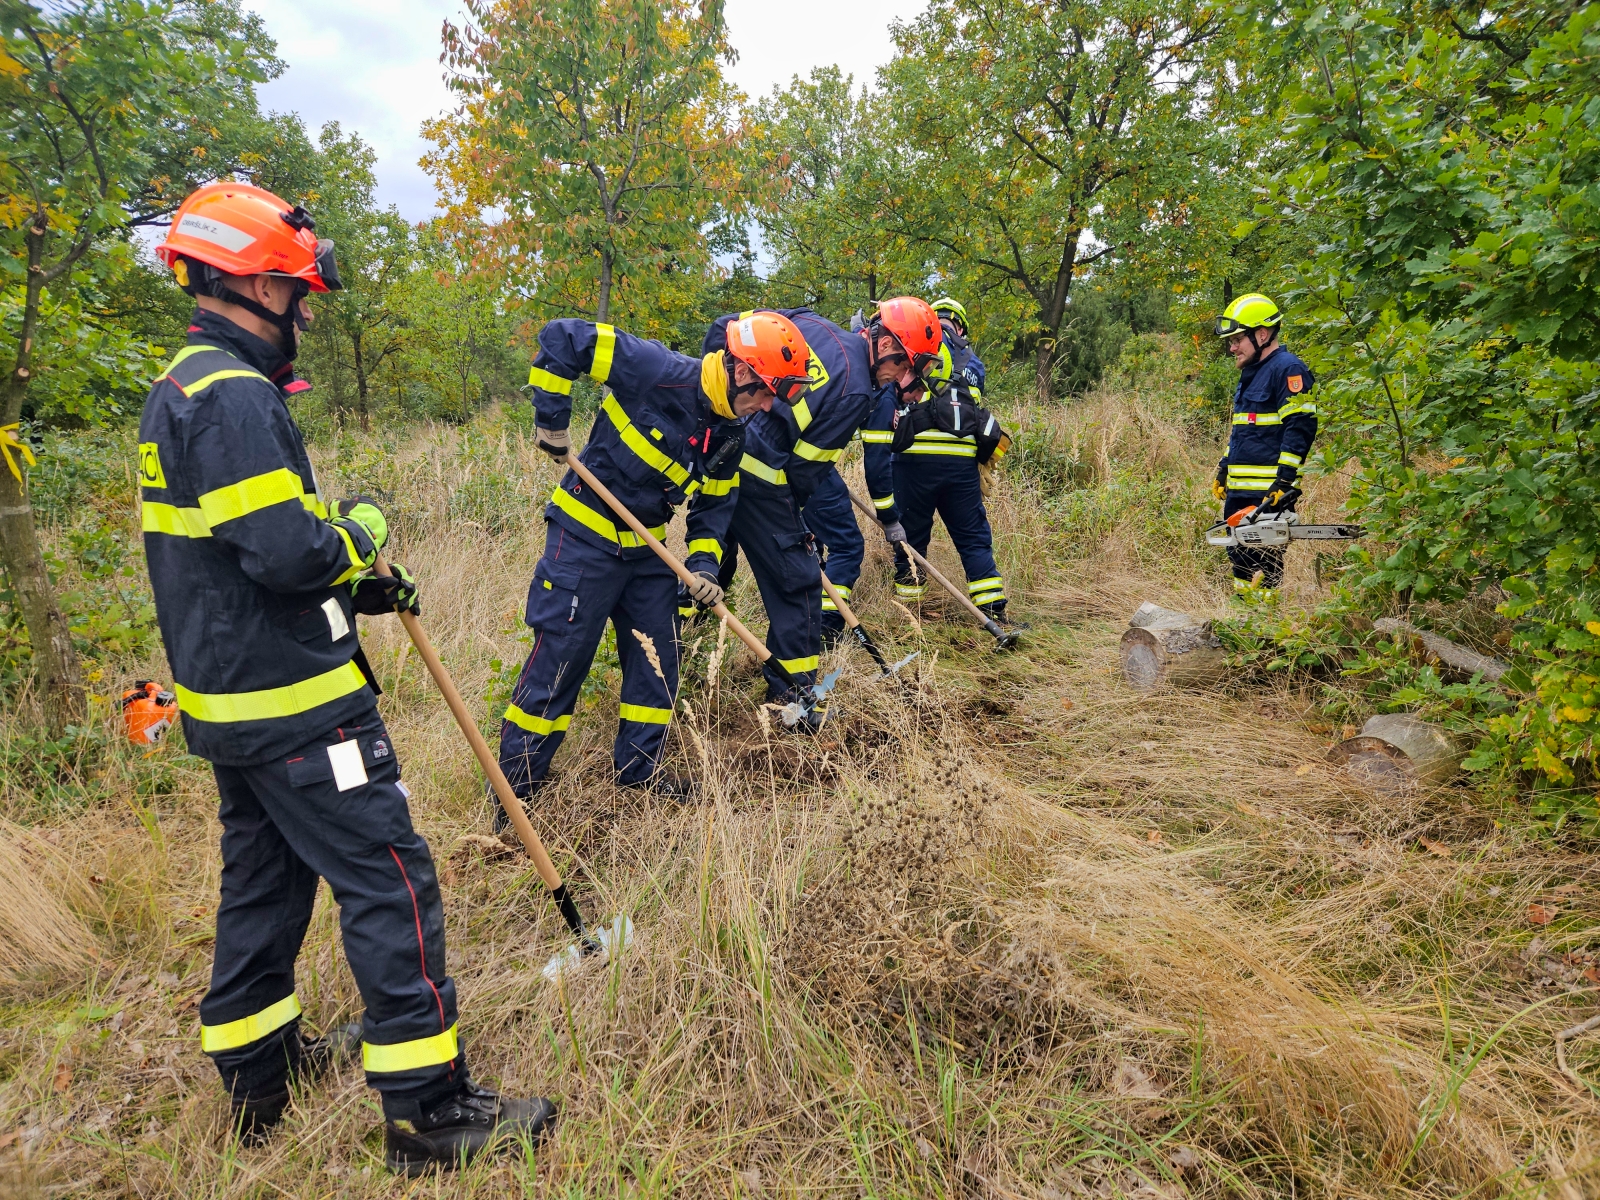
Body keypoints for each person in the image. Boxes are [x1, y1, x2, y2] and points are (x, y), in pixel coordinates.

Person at [140, 181, 555, 1174]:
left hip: (231, 703)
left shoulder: (185, 385)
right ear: (251, 281)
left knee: (265, 884)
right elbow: (287, 553)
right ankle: (429, 1109)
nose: (306, 309)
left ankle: (257, 1070)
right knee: (391, 881)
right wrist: (360, 534)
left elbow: (234, 556)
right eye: (294, 288)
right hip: (297, 709)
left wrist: (353, 590)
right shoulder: (236, 397)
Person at [498, 312, 804, 802]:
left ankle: (639, 773)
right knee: (560, 662)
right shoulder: (655, 368)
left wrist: (704, 566)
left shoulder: (731, 435)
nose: (766, 406)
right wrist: (551, 419)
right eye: (765, 392)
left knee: (658, 664)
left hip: (647, 553)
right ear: (741, 370)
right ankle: (516, 791)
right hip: (583, 539)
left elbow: (714, 510)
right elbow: (564, 339)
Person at [699, 301, 932, 706]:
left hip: (719, 462)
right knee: (800, 586)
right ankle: (794, 699)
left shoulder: (807, 322)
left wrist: (718, 416)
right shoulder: (858, 391)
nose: (902, 377)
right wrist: (797, 530)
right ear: (887, 344)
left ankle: (684, 657)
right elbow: (805, 470)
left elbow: (727, 328)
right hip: (760, 481)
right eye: (907, 364)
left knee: (708, 565)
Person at [861, 298, 1016, 624]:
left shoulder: (914, 346)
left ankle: (910, 615)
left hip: (912, 459)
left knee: (910, 538)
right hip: (961, 461)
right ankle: (992, 609)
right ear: (960, 326)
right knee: (972, 535)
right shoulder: (970, 360)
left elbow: (890, 394)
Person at [1212, 292, 1317, 594]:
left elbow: (1300, 427)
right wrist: (1224, 467)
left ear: (1261, 334)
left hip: (1268, 494)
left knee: (1264, 562)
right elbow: (1243, 430)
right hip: (1241, 491)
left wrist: (1284, 481)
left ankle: (1263, 630)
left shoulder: (1287, 369)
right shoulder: (1251, 374)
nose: (1232, 348)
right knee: (1240, 558)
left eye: (1237, 340)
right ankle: (1242, 624)